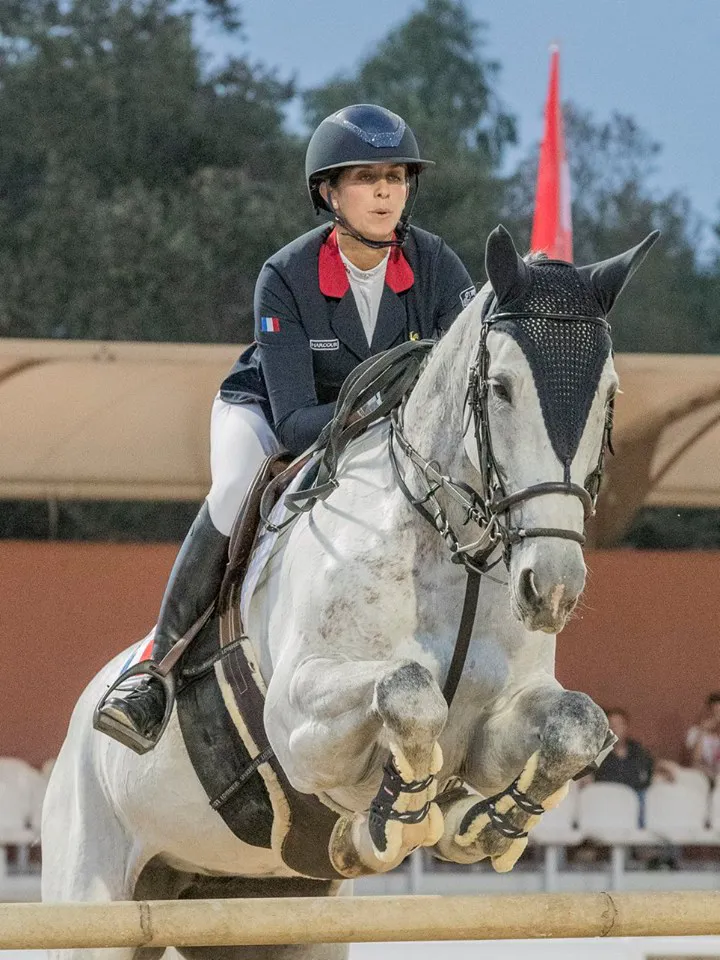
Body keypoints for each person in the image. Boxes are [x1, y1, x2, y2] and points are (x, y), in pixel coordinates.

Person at [96, 103, 476, 750]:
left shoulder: (439, 267)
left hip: (380, 433)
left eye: (397, 176)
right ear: (329, 192)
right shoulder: (286, 275)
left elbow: (460, 391)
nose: (385, 190)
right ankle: (155, 668)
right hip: (271, 411)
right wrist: (397, 407)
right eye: (364, 177)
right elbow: (298, 425)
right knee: (235, 485)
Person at [686, 692, 720, 781]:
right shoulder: (695, 732)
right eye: (715, 712)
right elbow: (695, 760)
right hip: (703, 777)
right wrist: (702, 731)